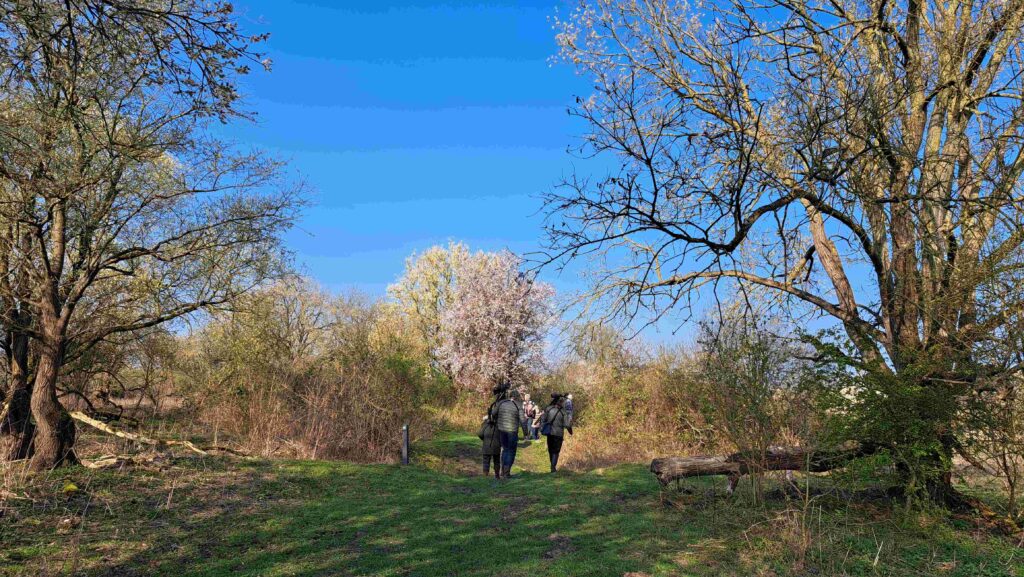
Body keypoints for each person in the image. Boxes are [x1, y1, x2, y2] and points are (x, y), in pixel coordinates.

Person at [491, 384, 529, 478]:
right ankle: (506, 472)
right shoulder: (518, 405)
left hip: (502, 430)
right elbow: (523, 420)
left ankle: (502, 471)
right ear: (516, 397)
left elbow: (493, 413)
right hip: (512, 431)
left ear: (510, 395)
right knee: (511, 451)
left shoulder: (502, 403)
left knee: (504, 450)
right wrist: (526, 434)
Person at [541, 393, 573, 473]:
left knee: (550, 449)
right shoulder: (563, 412)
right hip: (558, 434)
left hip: (550, 433)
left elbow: (543, 419)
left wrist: (542, 428)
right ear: (562, 403)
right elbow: (567, 424)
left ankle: (552, 465)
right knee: (556, 451)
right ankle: (553, 467)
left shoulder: (548, 409)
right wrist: (570, 431)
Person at [477, 414, 501, 478]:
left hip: (486, 445)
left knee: (486, 461)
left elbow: (479, 434)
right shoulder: (498, 424)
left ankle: (485, 475)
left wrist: (484, 439)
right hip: (496, 445)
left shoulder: (485, 424)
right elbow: (502, 435)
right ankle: (497, 475)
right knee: (496, 461)